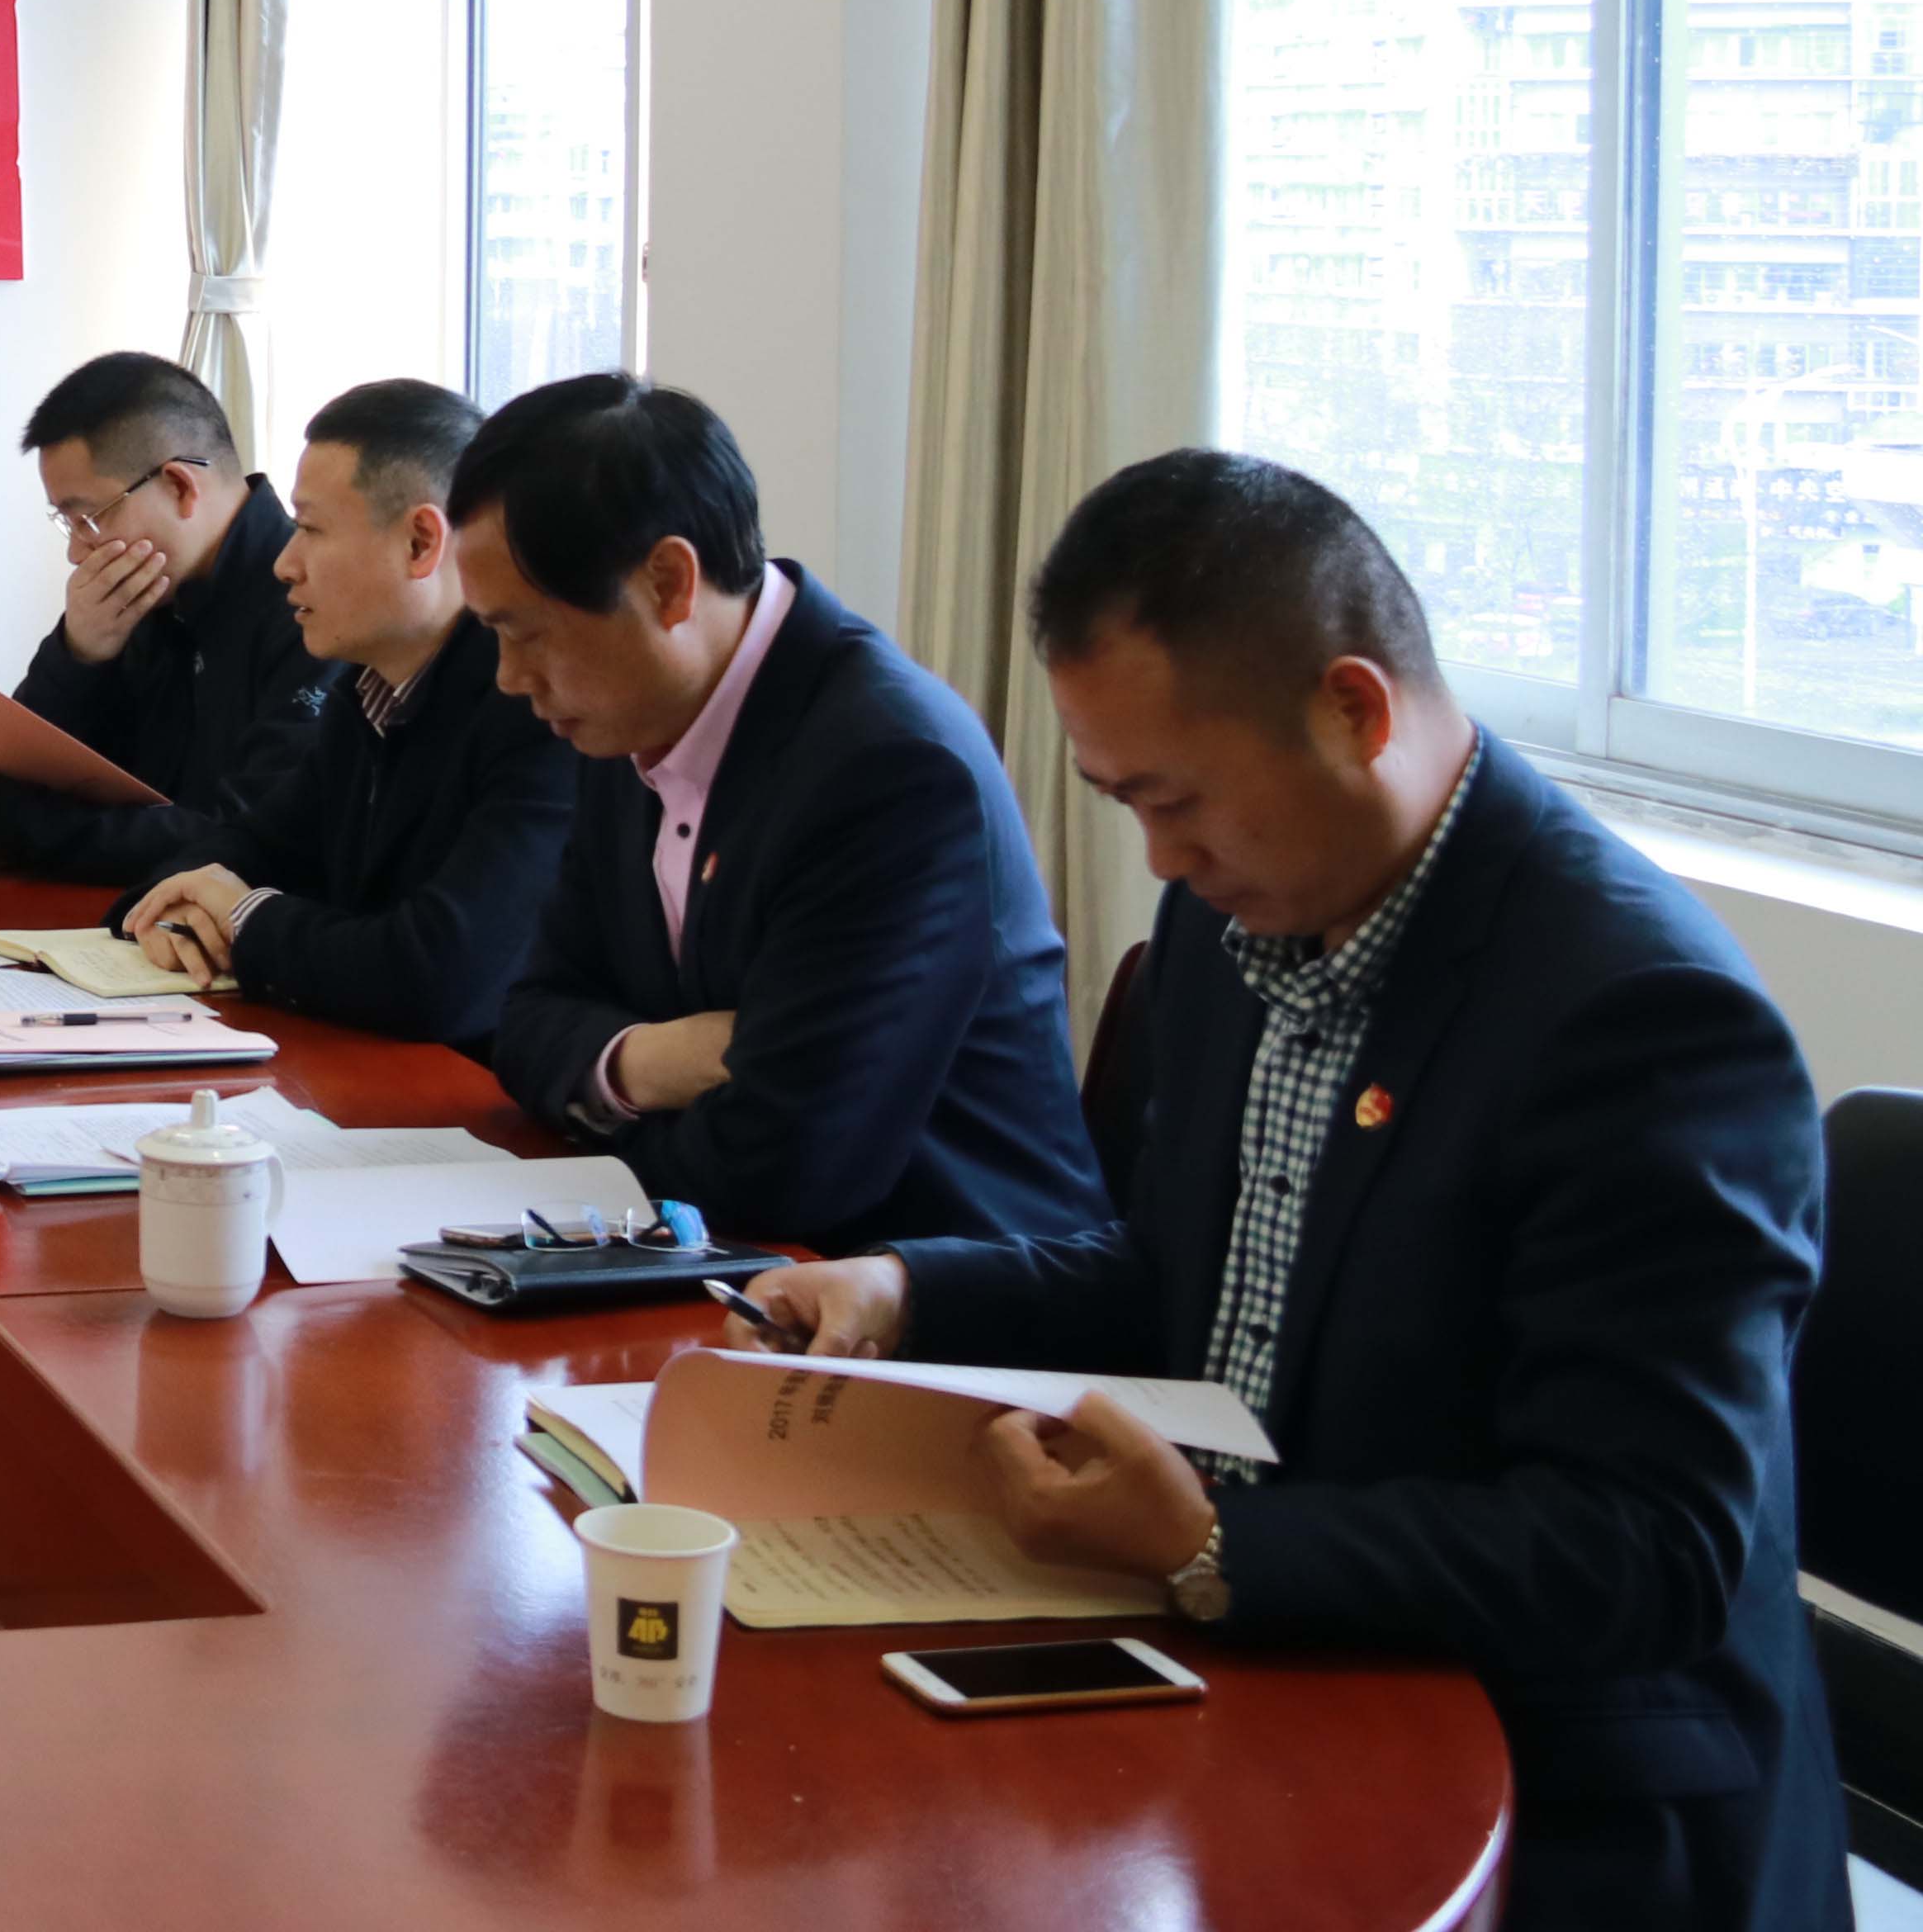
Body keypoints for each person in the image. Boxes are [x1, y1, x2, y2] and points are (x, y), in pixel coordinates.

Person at [748, 454, 1840, 1932]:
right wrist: (908, 1289)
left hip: (1556, 1794)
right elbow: (1185, 1282)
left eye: (1180, 801)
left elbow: (1647, 1547)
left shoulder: (1638, 1018)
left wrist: (1210, 1546)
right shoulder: (1236, 917)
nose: (1160, 857)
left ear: (1354, 712)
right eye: (1124, 803)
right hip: (1268, 1673)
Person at [461, 372, 1105, 1253]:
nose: (508, 677)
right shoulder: (628, 716)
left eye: (526, 632)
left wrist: (598, 1135)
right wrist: (654, 1061)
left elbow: (787, 1167)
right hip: (723, 1258)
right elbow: (527, 1018)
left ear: (668, 582)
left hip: (922, 1287)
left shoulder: (889, 769)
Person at [107, 378, 576, 1049]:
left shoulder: (538, 708)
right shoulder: (370, 690)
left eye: (310, 529)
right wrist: (175, 906)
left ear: (421, 543)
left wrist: (243, 918)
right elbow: (246, 846)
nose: (285, 564)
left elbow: (438, 975)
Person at [0, 351, 336, 893]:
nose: (76, 553)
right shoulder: (146, 595)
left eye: (87, 519)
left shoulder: (315, 610)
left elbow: (245, 840)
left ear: (179, 486)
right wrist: (78, 656)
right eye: (67, 524)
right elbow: (30, 774)